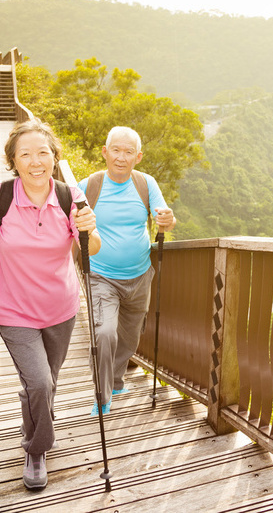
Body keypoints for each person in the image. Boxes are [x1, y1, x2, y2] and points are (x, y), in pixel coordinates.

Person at [0, 118, 101, 491]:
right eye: (25, 154)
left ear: (54, 157)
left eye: (43, 152)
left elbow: (91, 250)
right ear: (13, 160)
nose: (35, 160)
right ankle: (37, 447)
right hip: (12, 311)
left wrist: (89, 228)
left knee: (46, 382)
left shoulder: (69, 197)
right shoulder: (3, 198)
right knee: (40, 382)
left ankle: (38, 420)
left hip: (61, 308)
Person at [78, 126, 176, 417]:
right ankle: (103, 393)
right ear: (105, 152)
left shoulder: (146, 184)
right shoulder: (88, 186)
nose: (121, 157)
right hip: (100, 275)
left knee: (131, 336)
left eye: (128, 152)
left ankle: (117, 380)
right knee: (105, 332)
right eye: (116, 150)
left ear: (138, 156)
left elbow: (165, 219)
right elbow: (68, 223)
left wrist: (167, 220)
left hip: (140, 275)